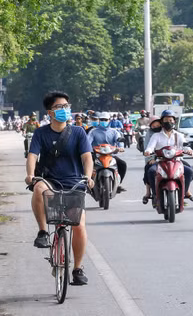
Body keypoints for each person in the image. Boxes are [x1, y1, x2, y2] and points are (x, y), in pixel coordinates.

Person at [25, 91, 94, 286]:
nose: (64, 110)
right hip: (50, 181)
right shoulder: (41, 133)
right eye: (59, 107)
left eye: (66, 106)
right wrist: (30, 175)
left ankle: (78, 269)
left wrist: (88, 177)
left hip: (74, 183)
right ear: (50, 112)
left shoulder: (79, 132)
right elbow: (32, 157)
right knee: (38, 187)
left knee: (79, 225)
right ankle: (42, 233)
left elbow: (87, 157)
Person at [143, 110, 193, 203]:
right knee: (151, 171)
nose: (169, 122)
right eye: (166, 120)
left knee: (189, 171)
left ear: (174, 121)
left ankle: (184, 192)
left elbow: (185, 146)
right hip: (160, 161)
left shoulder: (179, 135)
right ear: (162, 122)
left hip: (176, 161)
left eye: (171, 120)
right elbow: (150, 147)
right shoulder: (156, 136)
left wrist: (189, 151)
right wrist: (148, 151)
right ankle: (155, 195)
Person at [89, 112, 127, 191]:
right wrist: (87, 149)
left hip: (110, 155)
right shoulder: (93, 132)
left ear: (109, 120)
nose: (103, 121)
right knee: (86, 164)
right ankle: (87, 182)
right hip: (96, 155)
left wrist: (120, 147)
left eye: (105, 120)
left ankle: (118, 185)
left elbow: (119, 140)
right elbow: (87, 141)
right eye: (102, 119)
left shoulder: (114, 132)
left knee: (122, 164)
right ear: (99, 120)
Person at [140, 117, 163, 202]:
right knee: (148, 169)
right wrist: (151, 158)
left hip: (171, 158)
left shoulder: (171, 132)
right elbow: (148, 147)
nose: (156, 126)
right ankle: (149, 192)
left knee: (186, 169)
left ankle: (185, 191)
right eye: (154, 125)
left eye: (158, 124)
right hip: (155, 158)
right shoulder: (151, 134)